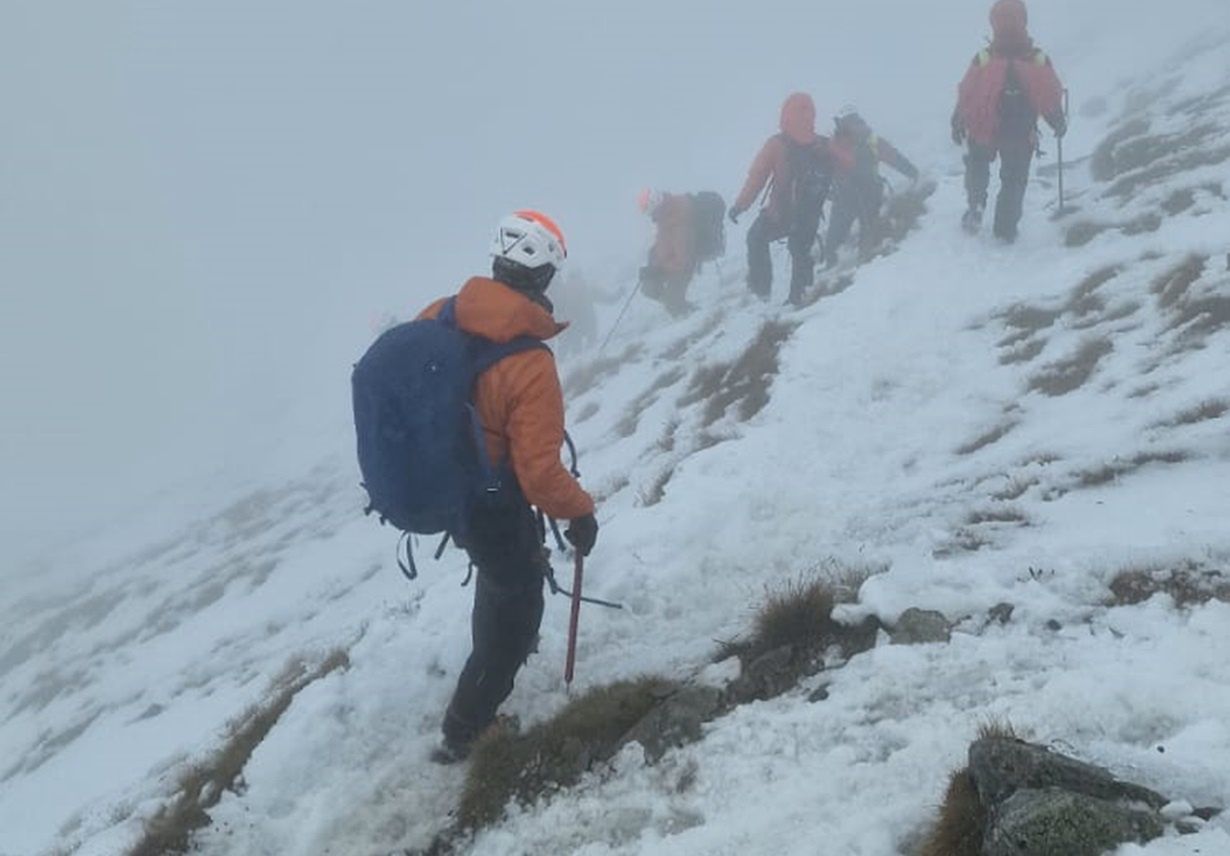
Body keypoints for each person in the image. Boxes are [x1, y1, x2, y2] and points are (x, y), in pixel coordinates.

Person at [418, 210, 599, 762]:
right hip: (496, 503)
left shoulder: (440, 316)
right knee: (515, 611)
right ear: (545, 278)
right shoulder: (528, 361)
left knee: (500, 583)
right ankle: (464, 730)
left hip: (452, 492)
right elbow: (539, 473)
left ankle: (490, 659)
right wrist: (581, 512)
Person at [951, 0, 1066, 242]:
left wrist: (958, 118)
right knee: (1014, 178)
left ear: (993, 23)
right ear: (1024, 20)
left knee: (977, 164)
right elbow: (1048, 94)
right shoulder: (1036, 58)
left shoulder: (983, 57)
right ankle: (1005, 229)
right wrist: (1057, 120)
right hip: (1020, 131)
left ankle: (976, 206)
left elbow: (967, 91)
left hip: (983, 126)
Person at [729, 92, 834, 305]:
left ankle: (761, 291)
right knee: (800, 250)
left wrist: (740, 206)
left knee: (756, 238)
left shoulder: (777, 144)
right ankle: (800, 296)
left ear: (786, 115)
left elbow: (757, 177)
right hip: (810, 212)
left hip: (780, 212)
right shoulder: (823, 145)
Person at [822, 106, 920, 268]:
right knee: (866, 235)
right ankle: (861, 267)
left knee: (835, 241)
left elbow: (824, 171)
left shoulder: (836, 143)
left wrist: (828, 192)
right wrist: (913, 173)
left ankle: (838, 272)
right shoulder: (870, 139)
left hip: (846, 197)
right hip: (868, 195)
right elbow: (894, 157)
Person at [638, 189, 700, 316]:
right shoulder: (665, 217)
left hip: (682, 269)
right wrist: (653, 260)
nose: (650, 216)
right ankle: (682, 306)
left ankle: (688, 315)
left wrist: (658, 269)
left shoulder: (679, 223)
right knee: (648, 288)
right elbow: (664, 243)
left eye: (648, 211)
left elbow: (682, 261)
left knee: (672, 305)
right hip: (669, 265)